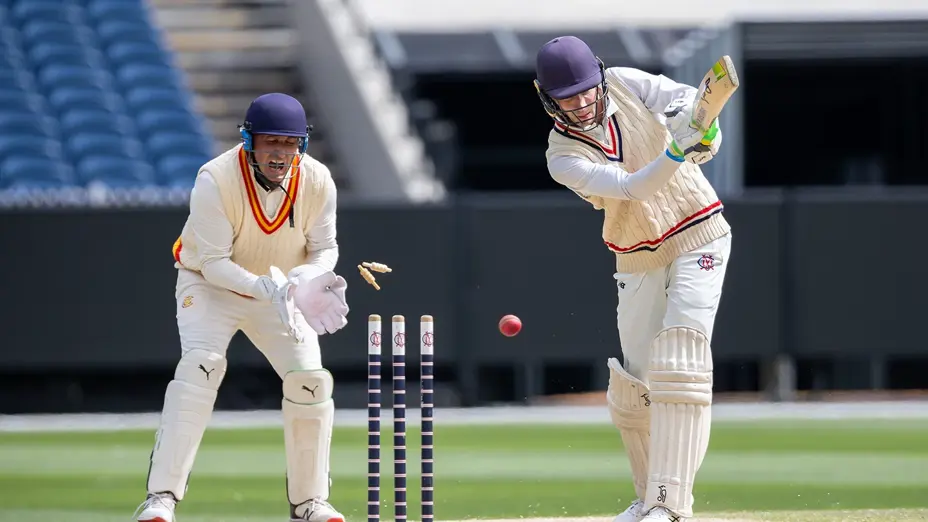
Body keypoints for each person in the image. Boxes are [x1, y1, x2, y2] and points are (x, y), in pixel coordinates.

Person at [535, 36, 732, 522]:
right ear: (546, 96)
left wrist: (700, 131)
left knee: (680, 361)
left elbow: (690, 99)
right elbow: (630, 188)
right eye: (568, 96)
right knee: (636, 385)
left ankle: (670, 504)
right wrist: (676, 153)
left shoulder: (624, 81)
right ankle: (647, 498)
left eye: (587, 90)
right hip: (636, 253)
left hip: (699, 232)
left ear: (599, 76)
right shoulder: (561, 156)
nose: (582, 103)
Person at [133, 92, 350, 522]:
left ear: (302, 144)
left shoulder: (319, 180)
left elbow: (325, 248)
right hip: (211, 285)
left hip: (280, 292)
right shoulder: (215, 179)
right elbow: (213, 263)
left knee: (310, 382)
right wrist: (270, 288)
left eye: (289, 144)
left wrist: (306, 280)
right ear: (249, 141)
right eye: (271, 142)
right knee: (200, 368)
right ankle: (160, 499)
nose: (280, 154)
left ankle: (309, 502)